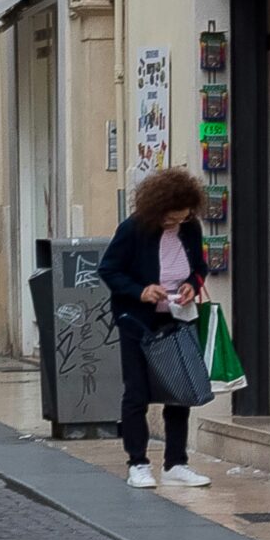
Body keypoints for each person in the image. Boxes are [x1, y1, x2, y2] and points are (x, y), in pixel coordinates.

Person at [98, 167, 214, 491]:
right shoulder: (133, 229)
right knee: (136, 391)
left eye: (181, 218)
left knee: (180, 391)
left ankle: (176, 462)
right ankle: (137, 462)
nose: (174, 224)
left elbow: (200, 267)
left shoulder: (190, 228)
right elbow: (109, 270)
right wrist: (141, 291)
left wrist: (192, 284)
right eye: (169, 219)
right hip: (137, 321)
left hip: (176, 317)